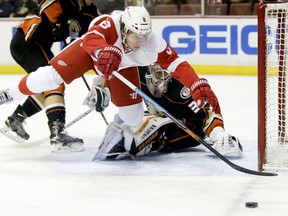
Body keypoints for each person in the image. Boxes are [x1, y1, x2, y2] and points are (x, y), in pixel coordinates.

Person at [0, 6, 238, 155]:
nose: (140, 41)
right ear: (125, 29)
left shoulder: (151, 42)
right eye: (135, 36)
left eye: (144, 36)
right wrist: (103, 64)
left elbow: (176, 63)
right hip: (91, 52)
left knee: (133, 117)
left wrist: (195, 82)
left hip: (118, 65)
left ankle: (117, 134)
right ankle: (7, 94)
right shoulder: (109, 23)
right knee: (48, 77)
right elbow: (92, 38)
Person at [1, 0, 99, 152]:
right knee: (53, 82)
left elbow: (91, 37)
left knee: (45, 85)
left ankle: (17, 118)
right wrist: (57, 21)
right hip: (28, 42)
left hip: (37, 45)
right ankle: (58, 134)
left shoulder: (90, 13)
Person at [92, 63, 243, 160]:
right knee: (128, 121)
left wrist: (219, 135)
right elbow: (117, 75)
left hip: (187, 132)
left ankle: (138, 144)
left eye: (166, 74)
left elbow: (206, 116)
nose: (163, 79)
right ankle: (128, 143)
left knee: (148, 128)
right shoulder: (138, 74)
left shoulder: (181, 89)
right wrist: (102, 89)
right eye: (158, 74)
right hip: (158, 118)